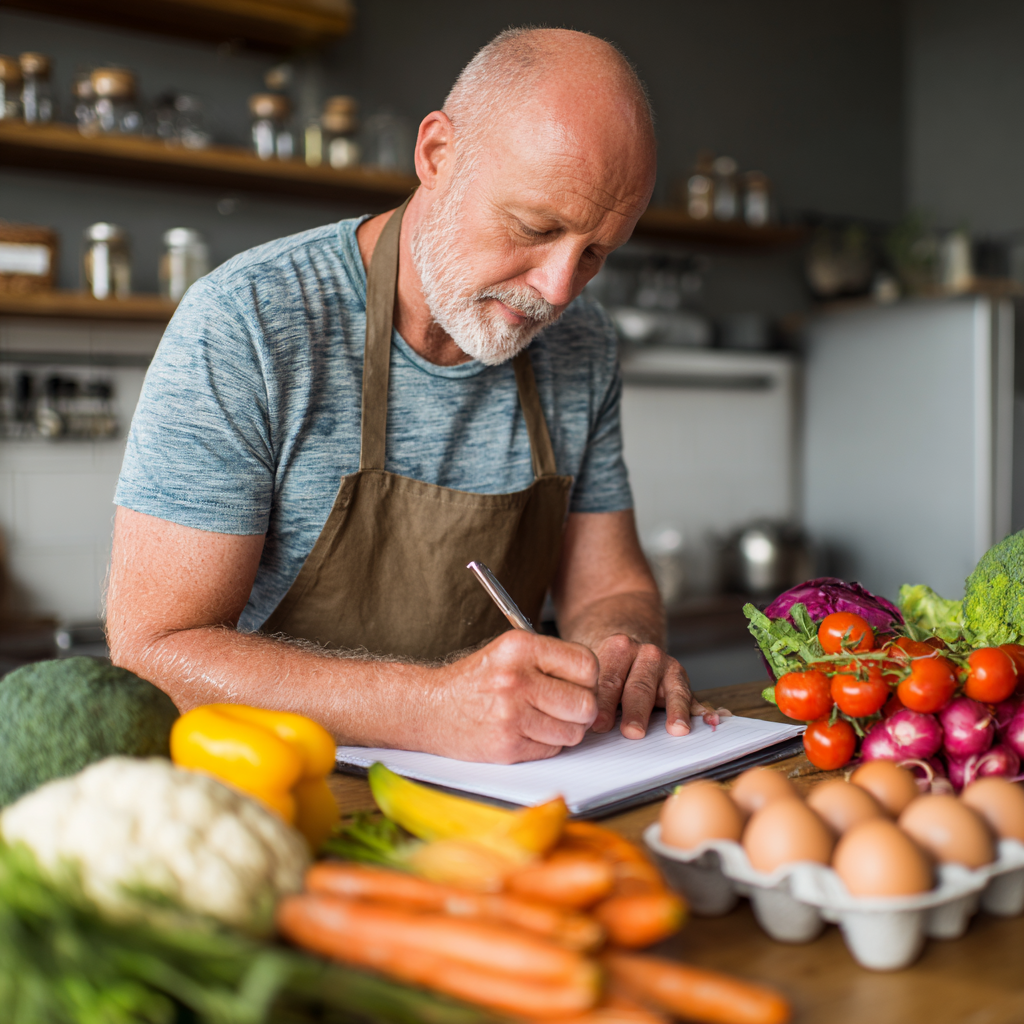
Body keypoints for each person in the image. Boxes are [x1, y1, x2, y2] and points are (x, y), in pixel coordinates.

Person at [107, 27, 714, 764]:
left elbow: (607, 587)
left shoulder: (581, 344)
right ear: (436, 154)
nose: (558, 289)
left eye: (594, 254)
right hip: (281, 784)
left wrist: (623, 650)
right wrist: (428, 707)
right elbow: (155, 650)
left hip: (507, 789)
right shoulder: (247, 322)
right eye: (536, 227)